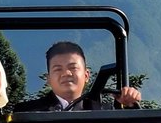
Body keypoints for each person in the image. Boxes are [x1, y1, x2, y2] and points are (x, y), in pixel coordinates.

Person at [14, 41, 142, 111]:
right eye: (58, 69)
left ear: (86, 75)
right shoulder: (27, 113)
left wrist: (129, 105)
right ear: (48, 79)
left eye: (73, 67)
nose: (66, 73)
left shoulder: (105, 112)